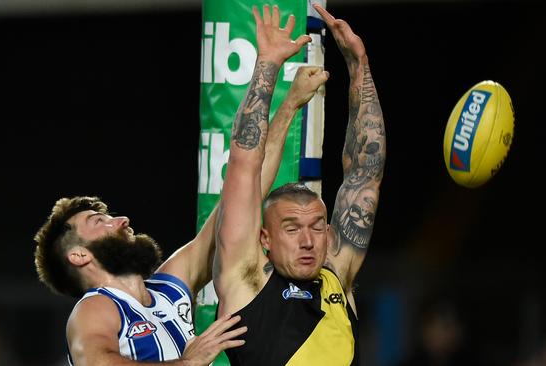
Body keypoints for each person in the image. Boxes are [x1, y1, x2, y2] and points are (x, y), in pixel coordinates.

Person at [32, 64, 329, 365]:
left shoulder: (169, 288)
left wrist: (289, 105)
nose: (121, 221)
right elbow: (95, 364)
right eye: (99, 222)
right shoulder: (95, 308)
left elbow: (244, 194)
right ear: (79, 255)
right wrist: (186, 364)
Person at [213, 3, 385, 365]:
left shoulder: (336, 275)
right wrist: (269, 64)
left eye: (317, 227)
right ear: (265, 239)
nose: (308, 241)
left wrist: (359, 67)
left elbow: (365, 172)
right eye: (291, 229)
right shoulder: (247, 279)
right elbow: (244, 164)